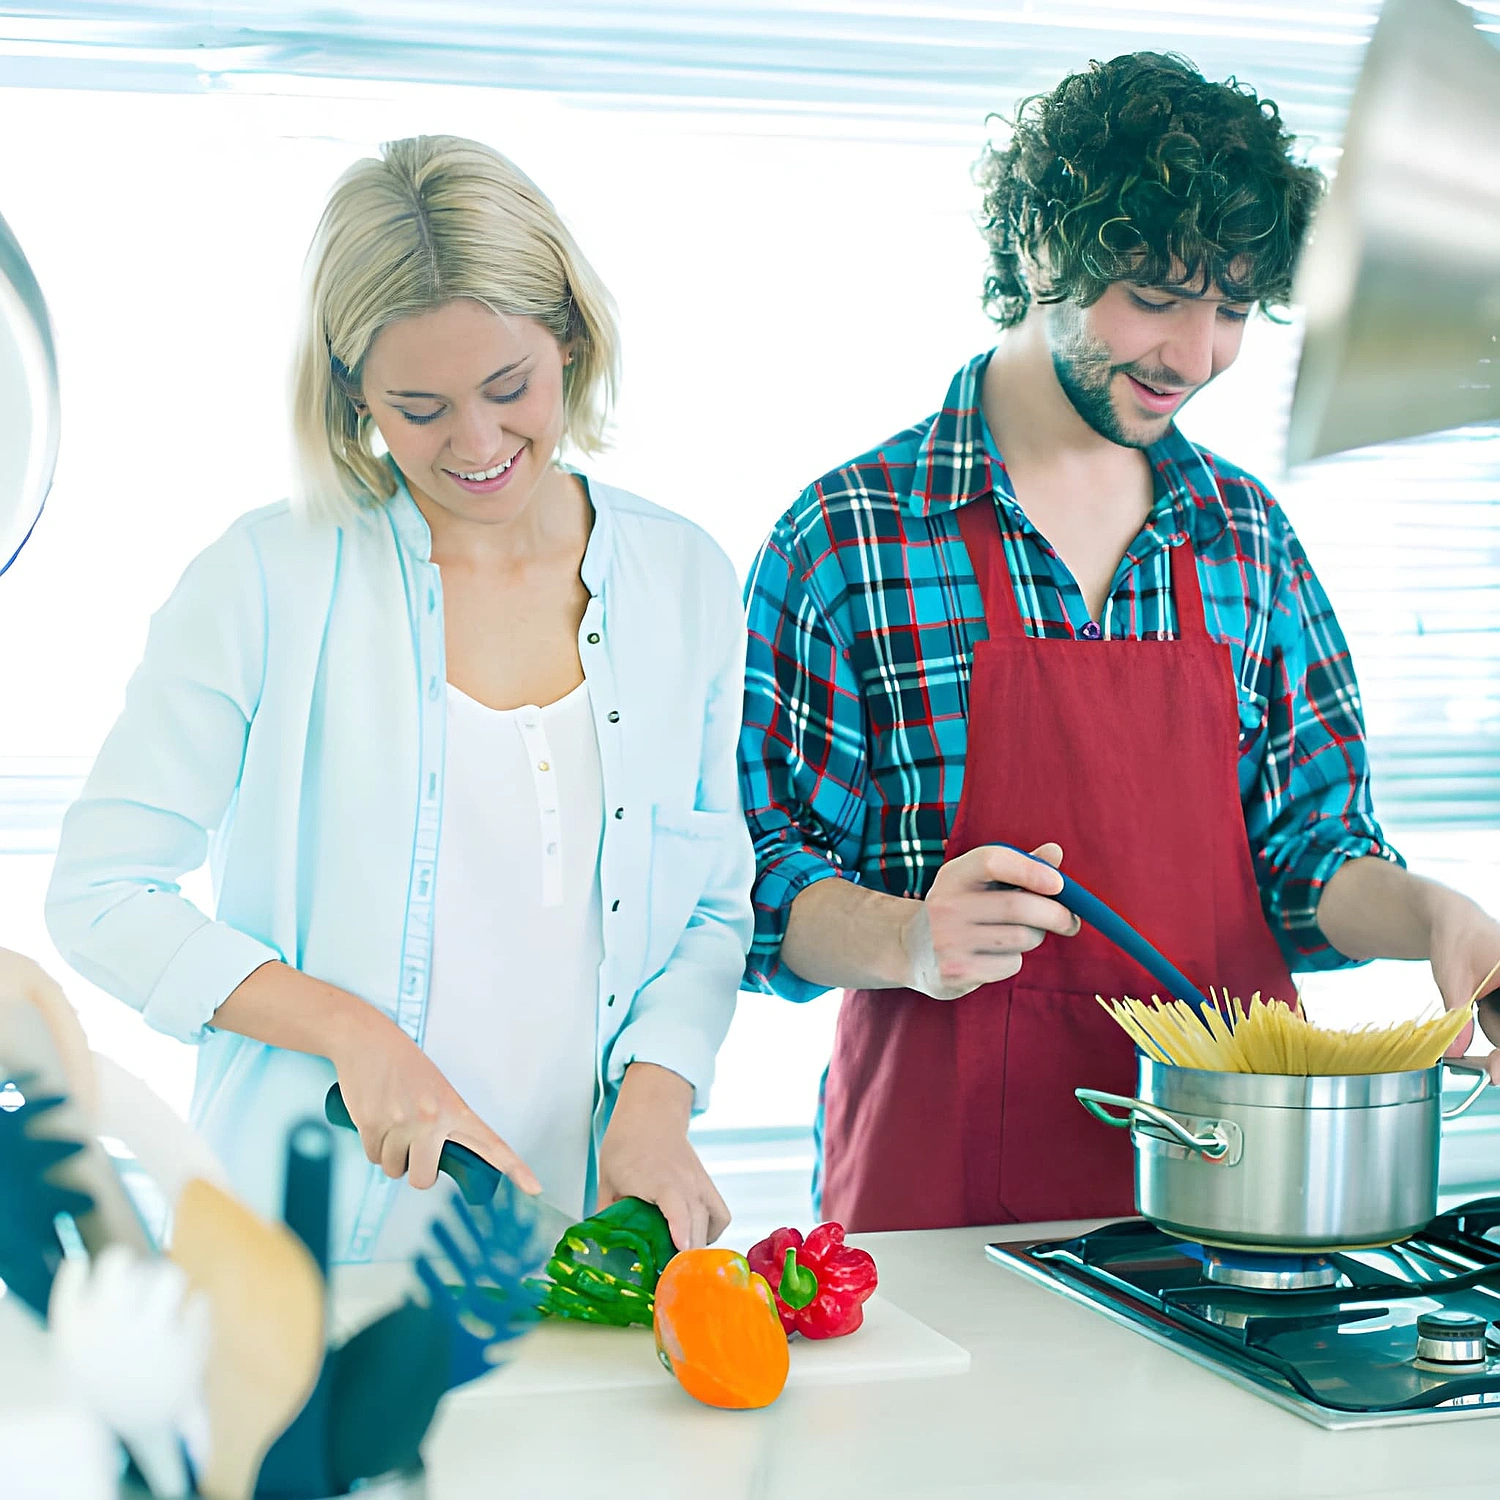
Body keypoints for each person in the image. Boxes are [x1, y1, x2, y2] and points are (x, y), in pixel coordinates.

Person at [738, 53, 1500, 1233]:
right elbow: (755, 885)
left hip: (1236, 1204)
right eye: (1154, 296)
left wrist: (1441, 917)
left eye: (1234, 309)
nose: (1194, 356)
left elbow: (1310, 859)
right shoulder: (851, 537)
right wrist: (910, 937)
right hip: (942, 1202)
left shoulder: (1243, 535)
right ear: (1045, 254)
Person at [46, 135, 753, 1261]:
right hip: (299, 1251)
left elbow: (713, 908)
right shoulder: (266, 578)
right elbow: (99, 894)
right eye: (419, 407)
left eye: (510, 388)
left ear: (570, 337)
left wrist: (659, 1099)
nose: (477, 445)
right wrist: (348, 1032)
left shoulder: (687, 581)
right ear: (353, 394)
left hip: (579, 1246)